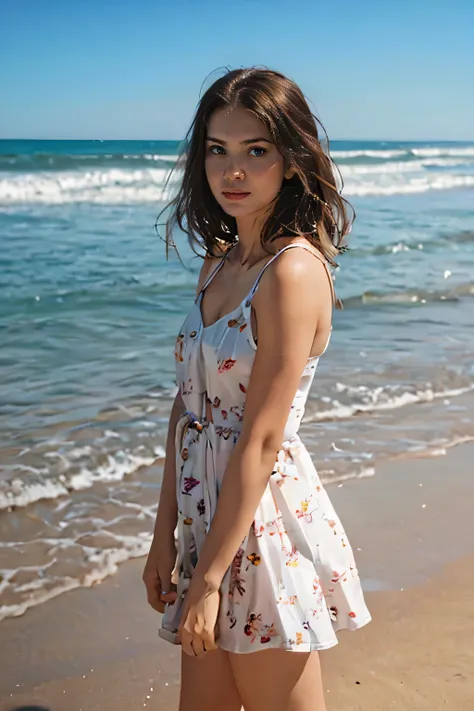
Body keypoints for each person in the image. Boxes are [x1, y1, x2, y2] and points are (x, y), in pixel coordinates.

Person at [143, 67, 371, 711]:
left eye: (255, 151)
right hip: (205, 516)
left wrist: (209, 580)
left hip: (264, 526)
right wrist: (163, 536)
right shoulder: (219, 263)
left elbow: (263, 435)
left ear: (292, 160)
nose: (232, 171)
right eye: (218, 150)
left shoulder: (292, 272)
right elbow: (185, 411)